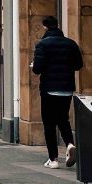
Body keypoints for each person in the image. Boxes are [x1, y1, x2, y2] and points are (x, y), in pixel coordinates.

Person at [32, 15, 82, 169]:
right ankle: (69, 144)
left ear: (45, 27)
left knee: (49, 123)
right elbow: (78, 65)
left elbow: (37, 69)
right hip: (66, 89)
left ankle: (53, 159)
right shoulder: (71, 44)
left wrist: (35, 65)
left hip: (49, 89)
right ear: (57, 25)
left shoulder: (42, 44)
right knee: (63, 120)